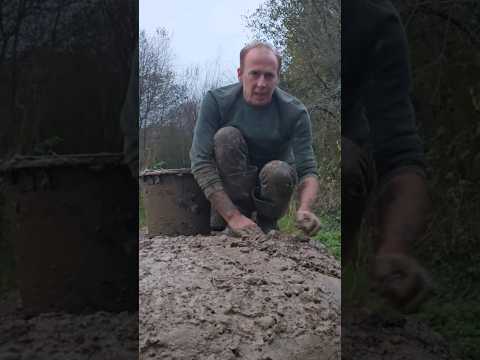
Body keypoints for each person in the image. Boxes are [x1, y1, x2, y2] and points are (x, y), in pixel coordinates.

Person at [342, 0, 432, 312]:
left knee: (346, 161)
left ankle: (345, 274)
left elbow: (402, 154)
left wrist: (395, 246)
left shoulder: (374, 19)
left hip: (347, 166)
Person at [190, 41, 321, 238]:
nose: (261, 83)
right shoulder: (216, 101)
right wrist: (232, 216)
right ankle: (231, 219)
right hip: (229, 200)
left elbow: (308, 170)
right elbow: (200, 161)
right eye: (254, 73)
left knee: (278, 170)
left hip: (271, 193)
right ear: (240, 74)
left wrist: (305, 208)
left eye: (269, 75)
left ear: (278, 77)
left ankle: (267, 223)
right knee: (226, 136)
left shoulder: (295, 112)